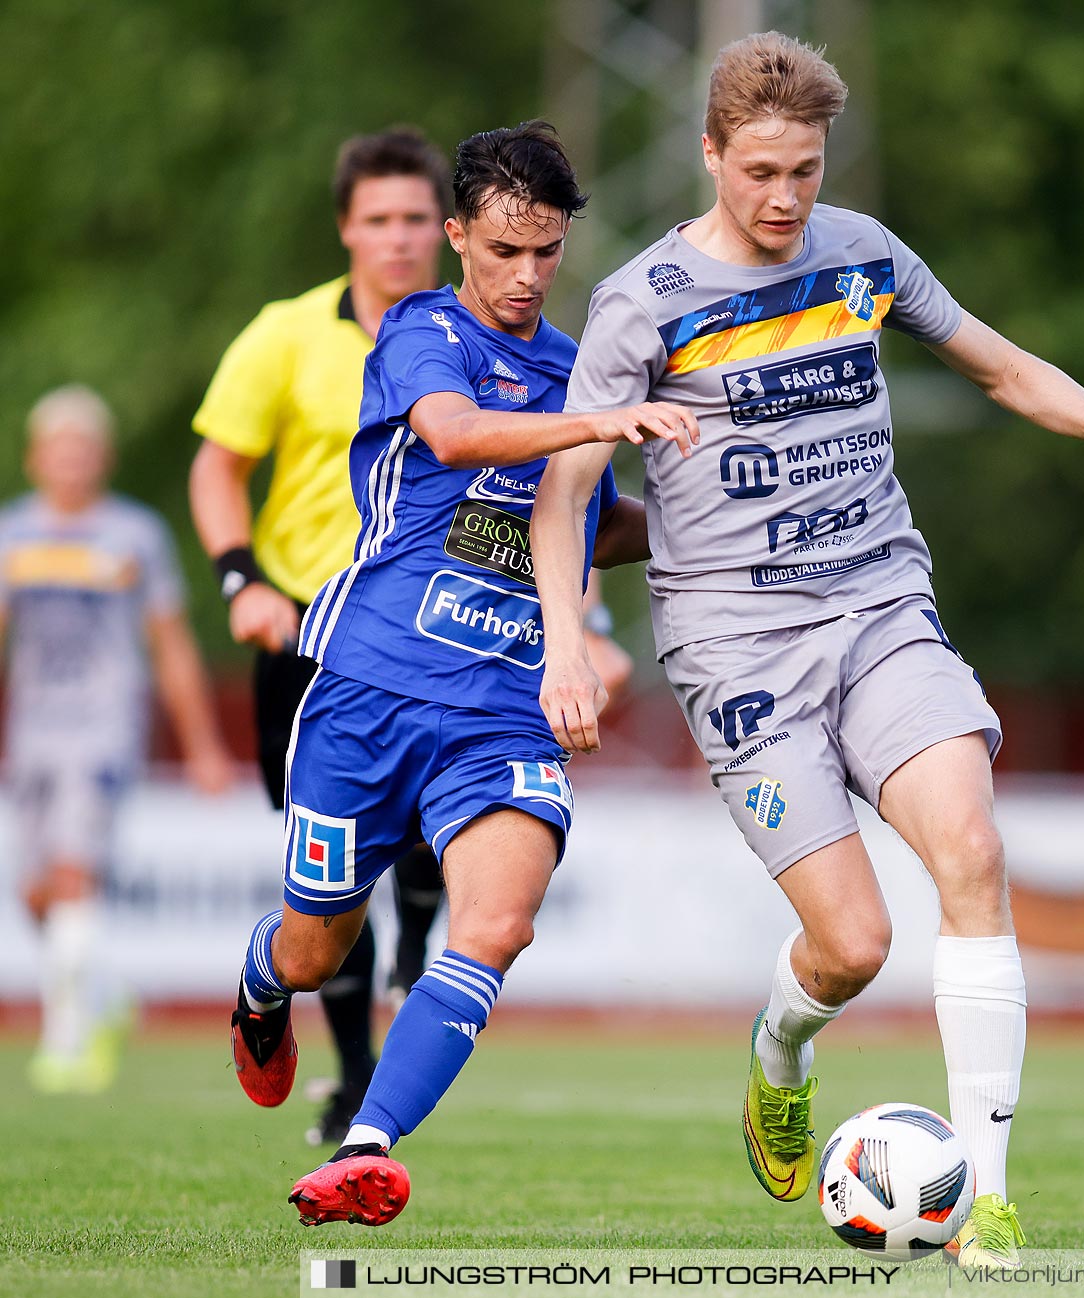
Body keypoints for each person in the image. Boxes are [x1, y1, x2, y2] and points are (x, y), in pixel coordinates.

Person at [533, 32, 1084, 1271]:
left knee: (973, 847)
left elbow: (999, 367)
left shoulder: (863, 256)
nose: (786, 197)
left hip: (880, 604)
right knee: (853, 943)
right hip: (737, 649)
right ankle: (780, 1044)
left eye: (805, 169)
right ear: (709, 156)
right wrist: (567, 642)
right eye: (760, 173)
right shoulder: (645, 300)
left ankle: (989, 1200)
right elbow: (569, 480)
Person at [225, 119, 691, 1228]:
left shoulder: (580, 363)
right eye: (502, 252)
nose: (526, 277)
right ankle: (259, 982)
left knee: (498, 922)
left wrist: (699, 521)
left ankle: (367, 1144)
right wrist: (600, 415)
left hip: (504, 706)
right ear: (457, 237)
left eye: (546, 253)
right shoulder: (419, 330)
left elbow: (582, 518)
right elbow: (453, 435)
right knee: (315, 941)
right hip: (369, 686)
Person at [190, 127, 457, 1147]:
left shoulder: (474, 340)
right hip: (307, 631)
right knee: (329, 882)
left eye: (415, 220)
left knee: (435, 838)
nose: (397, 239)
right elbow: (219, 465)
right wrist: (239, 578)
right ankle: (351, 1075)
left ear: (446, 228)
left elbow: (536, 492)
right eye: (377, 219)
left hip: (439, 638)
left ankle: (422, 929)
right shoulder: (285, 334)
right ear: (347, 226)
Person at [3, 386, 233, 1092]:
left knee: (77, 873)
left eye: (84, 448)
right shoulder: (13, 533)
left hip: (102, 725)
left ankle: (67, 1040)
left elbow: (169, 644)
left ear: (102, 458)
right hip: (33, 727)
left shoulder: (133, 535)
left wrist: (201, 744)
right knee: (35, 891)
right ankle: (101, 993)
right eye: (58, 449)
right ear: (35, 458)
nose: (71, 462)